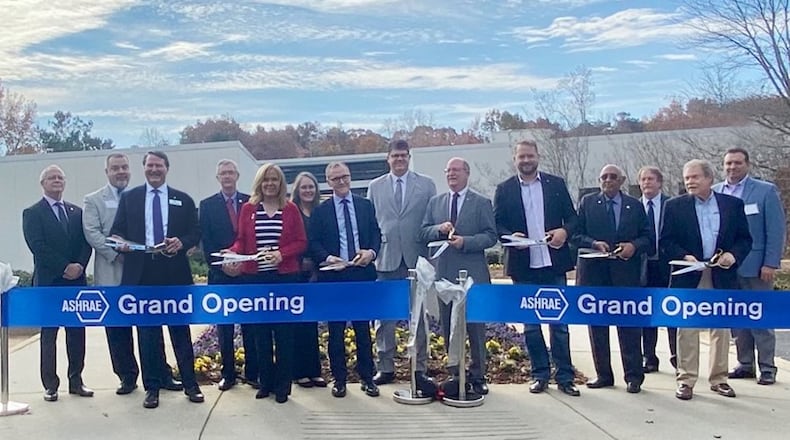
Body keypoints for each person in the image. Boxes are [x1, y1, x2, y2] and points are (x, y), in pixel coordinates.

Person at [110, 151, 204, 409]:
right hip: (141, 274)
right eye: (150, 165)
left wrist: (182, 242)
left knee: (180, 331)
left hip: (174, 274)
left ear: (166, 168)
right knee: (147, 334)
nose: (154, 169)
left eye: (158, 165)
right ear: (144, 168)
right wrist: (120, 243)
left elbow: (195, 233)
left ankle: (191, 384)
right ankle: (152, 388)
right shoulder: (130, 198)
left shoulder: (183, 200)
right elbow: (116, 232)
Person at [83, 153, 182, 396]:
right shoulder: (94, 200)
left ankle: (161, 373)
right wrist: (116, 253)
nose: (120, 172)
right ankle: (127, 377)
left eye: (124, 167)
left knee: (150, 325)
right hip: (113, 270)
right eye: (115, 168)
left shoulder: (143, 197)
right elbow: (92, 233)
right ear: (107, 172)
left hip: (144, 272)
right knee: (117, 328)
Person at [493, 140, 580, 397]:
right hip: (523, 267)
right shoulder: (505, 189)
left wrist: (564, 231)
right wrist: (512, 237)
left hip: (553, 264)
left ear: (537, 157)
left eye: (530, 155)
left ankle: (565, 377)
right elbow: (498, 226)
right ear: (515, 159)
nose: (526, 160)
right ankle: (539, 374)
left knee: (560, 325)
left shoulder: (556, 184)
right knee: (531, 326)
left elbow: (574, 218)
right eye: (521, 156)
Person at [662, 159, 752, 400]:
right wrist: (683, 256)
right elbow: (666, 241)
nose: (690, 182)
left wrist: (733, 255)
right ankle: (686, 380)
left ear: (709, 179)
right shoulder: (674, 206)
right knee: (687, 327)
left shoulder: (732, 205)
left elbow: (745, 239)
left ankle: (719, 379)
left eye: (695, 177)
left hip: (721, 274)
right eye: (687, 178)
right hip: (689, 274)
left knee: (720, 328)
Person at [223, 163, 306, 403]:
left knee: (283, 334)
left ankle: (283, 386)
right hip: (255, 279)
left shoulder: (290, 209)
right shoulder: (249, 209)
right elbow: (241, 241)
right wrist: (232, 253)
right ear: (260, 182)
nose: (270, 184)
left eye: (275, 180)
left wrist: (282, 253)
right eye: (266, 180)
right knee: (260, 334)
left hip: (284, 279)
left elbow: (301, 242)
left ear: (281, 183)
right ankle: (265, 382)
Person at [572, 164, 652, 394]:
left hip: (625, 275)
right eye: (604, 176)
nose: (608, 180)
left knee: (628, 327)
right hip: (594, 275)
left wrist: (633, 246)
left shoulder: (634, 206)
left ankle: (634, 376)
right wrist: (593, 243)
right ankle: (603, 374)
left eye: (613, 177)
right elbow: (576, 235)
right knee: (597, 327)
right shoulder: (587, 203)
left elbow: (647, 238)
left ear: (622, 180)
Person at [420, 157, 497, 396]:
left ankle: (478, 375)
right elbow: (423, 231)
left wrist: (466, 242)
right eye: (448, 171)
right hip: (445, 274)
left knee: (474, 327)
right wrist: (438, 230)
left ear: (467, 173)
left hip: (473, 275)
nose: (451, 174)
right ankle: (455, 373)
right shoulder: (436, 202)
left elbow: (490, 236)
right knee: (448, 327)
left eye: (456, 170)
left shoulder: (481, 202)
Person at [713, 147, 786, 385]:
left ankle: (767, 367)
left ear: (747, 164)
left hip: (757, 267)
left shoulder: (765, 191)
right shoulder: (715, 192)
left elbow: (775, 230)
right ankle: (745, 364)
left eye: (737, 163)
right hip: (727, 268)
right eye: (728, 164)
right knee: (737, 319)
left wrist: (770, 263)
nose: (732, 167)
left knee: (761, 318)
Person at [309, 161, 381, 398]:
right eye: (335, 179)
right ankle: (339, 380)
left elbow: (376, 235)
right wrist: (327, 258)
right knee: (336, 331)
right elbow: (313, 243)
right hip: (333, 277)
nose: (341, 182)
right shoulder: (321, 211)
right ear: (328, 182)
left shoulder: (365, 205)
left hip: (362, 274)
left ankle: (367, 378)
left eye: (344, 177)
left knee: (363, 329)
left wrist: (371, 253)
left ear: (350, 178)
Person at [367, 140, 437, 386]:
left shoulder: (426, 185)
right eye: (395, 156)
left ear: (409, 157)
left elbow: (432, 221)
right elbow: (371, 224)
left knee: (418, 317)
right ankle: (385, 367)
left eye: (403, 156)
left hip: (415, 259)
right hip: (386, 260)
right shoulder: (375, 187)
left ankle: (418, 368)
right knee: (383, 318)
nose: (399, 160)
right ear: (388, 158)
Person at [22, 165, 93, 402]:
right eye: (51, 177)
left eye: (60, 177)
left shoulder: (77, 212)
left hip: (76, 283)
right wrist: (64, 267)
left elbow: (86, 243)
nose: (56, 180)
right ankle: (50, 385)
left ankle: (76, 380)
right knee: (49, 335)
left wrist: (80, 266)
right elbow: (38, 247)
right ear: (42, 183)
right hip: (49, 283)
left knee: (76, 333)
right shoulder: (32, 213)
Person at [199, 159, 258, 391]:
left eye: (230, 172)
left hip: (247, 274)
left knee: (250, 325)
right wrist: (221, 265)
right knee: (224, 327)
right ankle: (228, 374)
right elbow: (207, 242)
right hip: (221, 274)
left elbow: (254, 237)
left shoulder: (250, 202)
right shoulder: (207, 205)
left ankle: (253, 372)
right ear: (218, 178)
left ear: (237, 175)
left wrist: (244, 263)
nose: (227, 176)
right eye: (222, 173)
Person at [636, 166, 676, 373]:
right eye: (643, 179)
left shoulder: (673, 205)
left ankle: (676, 356)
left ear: (660, 182)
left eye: (651, 179)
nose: (646, 183)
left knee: (671, 310)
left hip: (667, 264)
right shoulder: (633, 207)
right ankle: (649, 357)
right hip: (644, 265)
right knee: (647, 313)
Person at [290, 171, 327, 389]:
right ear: (297, 190)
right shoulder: (291, 210)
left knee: (312, 323)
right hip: (296, 273)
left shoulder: (321, 211)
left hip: (319, 271)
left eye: (311, 187)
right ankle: (299, 371)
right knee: (298, 323)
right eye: (303, 187)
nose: (308, 191)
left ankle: (315, 371)